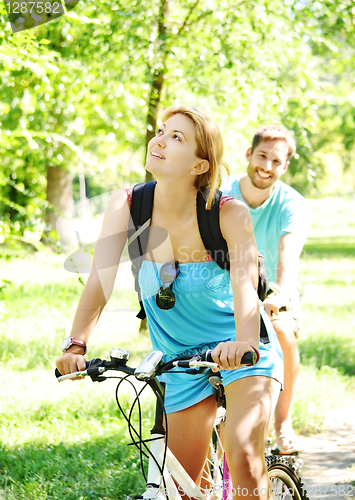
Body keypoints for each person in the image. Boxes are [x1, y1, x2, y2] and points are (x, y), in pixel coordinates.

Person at [56, 106, 283, 498]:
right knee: (180, 487)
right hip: (178, 360)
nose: (159, 140)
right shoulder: (127, 207)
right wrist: (76, 344)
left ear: (199, 164)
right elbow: (99, 281)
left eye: (176, 137)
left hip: (242, 350)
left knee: (244, 456)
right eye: (162, 131)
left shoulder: (229, 215)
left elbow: (246, 291)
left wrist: (243, 344)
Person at [222, 125, 309, 454]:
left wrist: (277, 295)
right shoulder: (222, 195)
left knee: (281, 331)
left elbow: (288, 259)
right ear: (248, 155)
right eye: (262, 156)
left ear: (285, 166)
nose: (267, 167)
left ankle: (282, 421)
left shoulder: (292, 204)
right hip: (227, 292)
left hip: (274, 294)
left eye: (276, 161)